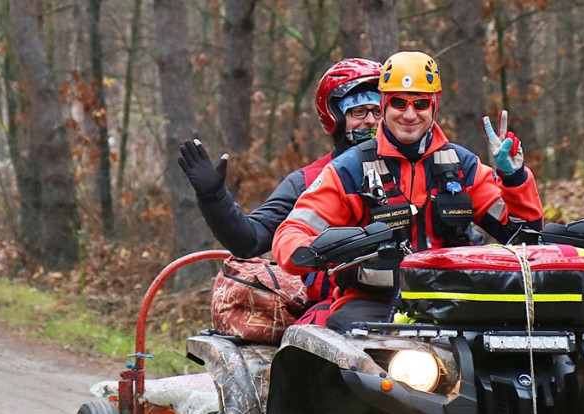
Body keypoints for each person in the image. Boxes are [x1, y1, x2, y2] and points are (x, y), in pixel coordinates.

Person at [272, 51, 545, 333]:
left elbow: (523, 235)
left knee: (516, 340)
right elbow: (294, 230)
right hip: (371, 302)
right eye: (399, 103)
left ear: (434, 106)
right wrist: (308, 250)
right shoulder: (349, 169)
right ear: (384, 104)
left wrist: (514, 179)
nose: (410, 114)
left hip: (456, 299)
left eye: (420, 103)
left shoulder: (462, 166)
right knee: (348, 352)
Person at [177, 58, 384, 262]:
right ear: (334, 117)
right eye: (358, 112)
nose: (370, 121)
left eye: (377, 112)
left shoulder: (410, 167)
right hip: (333, 294)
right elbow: (250, 240)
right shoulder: (307, 181)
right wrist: (214, 197)